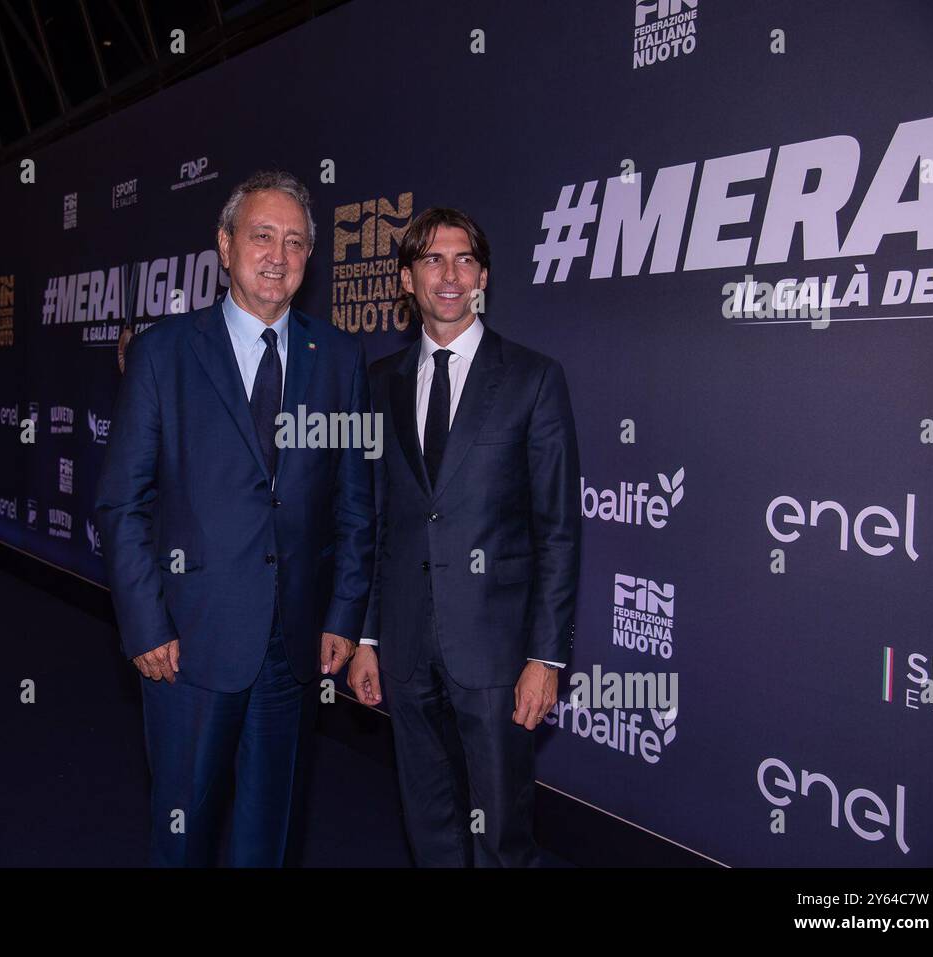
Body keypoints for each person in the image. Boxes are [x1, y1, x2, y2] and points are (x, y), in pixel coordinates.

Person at [94, 170, 374, 866]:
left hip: (293, 647)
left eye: (295, 242)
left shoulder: (339, 359)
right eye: (262, 236)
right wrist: (146, 624)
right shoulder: (163, 353)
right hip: (186, 647)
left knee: (268, 839)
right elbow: (122, 503)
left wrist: (344, 614)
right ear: (224, 245)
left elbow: (355, 503)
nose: (278, 256)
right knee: (183, 835)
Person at [348, 208, 581, 866]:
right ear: (406, 279)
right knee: (429, 824)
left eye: (464, 260)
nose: (449, 275)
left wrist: (546, 657)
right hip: (405, 645)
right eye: (432, 260)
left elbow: (559, 530)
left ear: (483, 277)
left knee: (502, 834)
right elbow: (375, 518)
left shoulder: (533, 378)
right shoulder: (379, 382)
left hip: (497, 653)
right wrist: (367, 637)